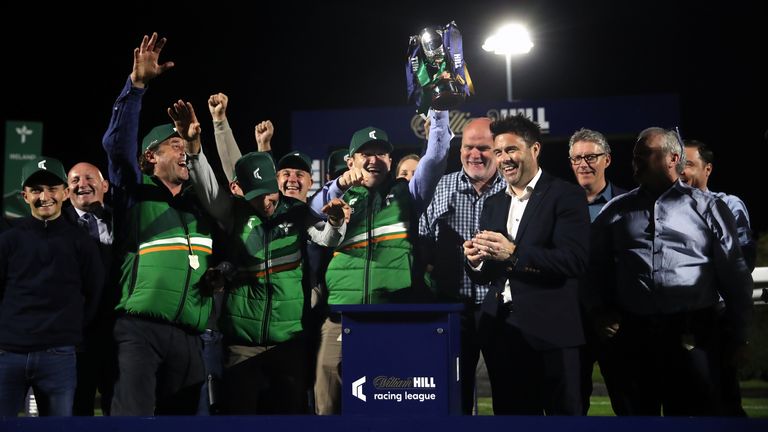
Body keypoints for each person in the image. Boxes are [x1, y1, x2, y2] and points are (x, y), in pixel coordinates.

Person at [588, 127, 753, 416]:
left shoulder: (708, 207)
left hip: (694, 335)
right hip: (634, 335)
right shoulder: (615, 211)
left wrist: (739, 335)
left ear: (672, 157)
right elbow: (591, 268)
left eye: (645, 155)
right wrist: (600, 311)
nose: (635, 161)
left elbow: (734, 275)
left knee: (695, 418)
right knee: (638, 418)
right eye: (635, 155)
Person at [309, 109, 452, 414]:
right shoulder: (340, 196)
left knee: (388, 405)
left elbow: (436, 159)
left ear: (390, 160)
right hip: (340, 318)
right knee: (327, 405)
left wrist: (438, 111)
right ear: (351, 161)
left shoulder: (407, 193)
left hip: (392, 317)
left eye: (381, 153)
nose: (373, 159)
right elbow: (311, 214)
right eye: (365, 154)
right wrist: (338, 187)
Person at [103, 32, 215, 415]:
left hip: (190, 337)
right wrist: (136, 87)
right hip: (140, 331)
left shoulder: (199, 206)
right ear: (150, 157)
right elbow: (118, 147)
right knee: (133, 421)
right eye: (175, 147)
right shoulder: (134, 192)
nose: (184, 153)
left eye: (185, 148)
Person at [463, 114, 590, 415]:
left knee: (563, 420)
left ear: (534, 150)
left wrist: (514, 254)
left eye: (511, 150)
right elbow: (488, 275)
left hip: (552, 333)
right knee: (512, 421)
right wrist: (475, 262)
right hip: (501, 332)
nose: (503, 159)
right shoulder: (493, 203)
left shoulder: (566, 195)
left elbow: (574, 261)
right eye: (498, 152)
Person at [0, 157, 103, 417]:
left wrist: (68, 333)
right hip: (8, 353)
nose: (44, 196)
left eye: (52, 189)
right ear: (25, 196)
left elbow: (93, 293)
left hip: (59, 356)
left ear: (65, 193)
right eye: (36, 190)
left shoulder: (82, 242)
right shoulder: (8, 240)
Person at [418, 117, 505, 414]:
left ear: (498, 150)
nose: (475, 154)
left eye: (484, 148)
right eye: (469, 147)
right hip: (454, 310)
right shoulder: (442, 187)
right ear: (460, 150)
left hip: (502, 310)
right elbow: (423, 239)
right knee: (454, 397)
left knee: (511, 395)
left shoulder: (513, 189)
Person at [680, 138, 756, 416]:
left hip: (716, 318)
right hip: (675, 320)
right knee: (681, 404)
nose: (682, 171)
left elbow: (742, 261)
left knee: (722, 401)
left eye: (689, 164)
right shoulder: (663, 208)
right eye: (678, 164)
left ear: (707, 169)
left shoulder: (727, 204)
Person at [567, 128, 627, 415]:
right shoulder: (557, 206)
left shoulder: (629, 205)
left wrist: (617, 313)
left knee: (630, 406)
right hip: (571, 325)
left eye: (591, 156)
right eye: (577, 158)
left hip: (618, 326)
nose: (583, 164)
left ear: (607, 160)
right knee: (572, 408)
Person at [65, 162, 117, 416]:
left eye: (89, 178)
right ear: (66, 191)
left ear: (105, 185)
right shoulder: (57, 226)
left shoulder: (125, 218)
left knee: (118, 409)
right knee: (77, 409)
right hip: (77, 336)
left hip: (119, 333)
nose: (81, 184)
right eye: (74, 180)